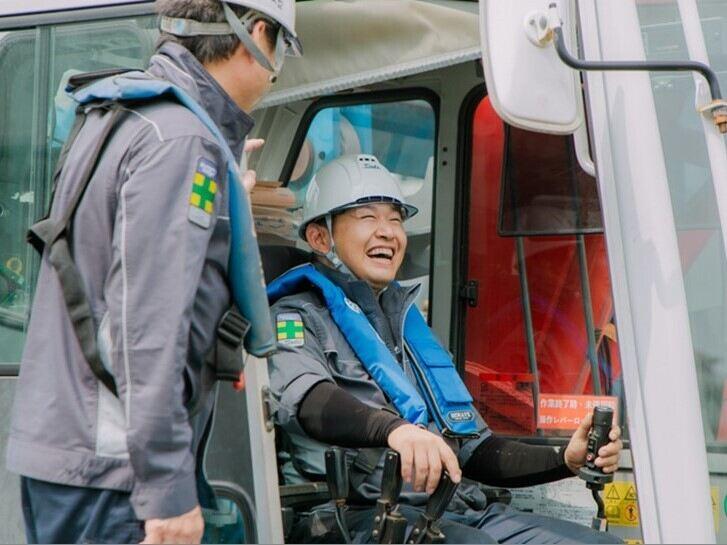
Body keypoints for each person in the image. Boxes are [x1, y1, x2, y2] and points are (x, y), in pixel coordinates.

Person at [5, 1, 300, 543]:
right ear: (258, 33)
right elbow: (146, 325)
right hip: (117, 471)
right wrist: (167, 488)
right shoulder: (181, 140)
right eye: (282, 48)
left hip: (75, 458)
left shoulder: (125, 115)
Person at [266, 153, 624, 544]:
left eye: (396, 220)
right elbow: (307, 400)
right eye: (367, 217)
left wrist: (564, 459)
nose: (387, 232)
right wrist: (396, 431)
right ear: (320, 238)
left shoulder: (409, 328)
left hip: (453, 508)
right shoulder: (296, 317)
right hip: (356, 516)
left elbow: (475, 449)